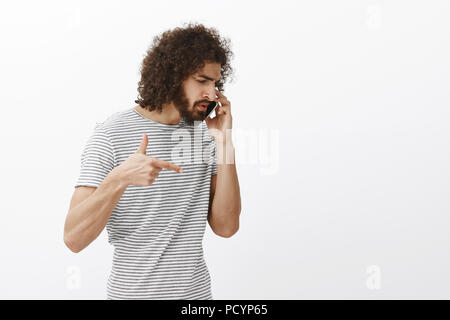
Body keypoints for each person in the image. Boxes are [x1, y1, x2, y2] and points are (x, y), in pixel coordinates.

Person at [63, 22, 241, 300]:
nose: (211, 93)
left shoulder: (206, 135)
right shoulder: (110, 135)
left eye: (215, 82)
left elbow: (226, 227)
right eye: (202, 80)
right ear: (172, 75)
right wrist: (119, 179)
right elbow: (73, 239)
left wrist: (224, 143)